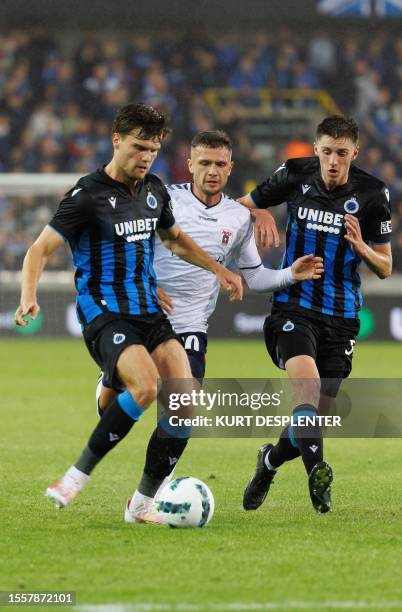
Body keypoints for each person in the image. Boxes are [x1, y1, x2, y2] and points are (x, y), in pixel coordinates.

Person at [15, 103, 244, 524]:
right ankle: (73, 478)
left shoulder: (153, 190)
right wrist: (28, 294)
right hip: (104, 310)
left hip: (149, 311)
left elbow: (175, 240)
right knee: (146, 387)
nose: (145, 157)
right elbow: (38, 250)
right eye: (138, 147)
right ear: (116, 140)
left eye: (153, 150)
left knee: (184, 401)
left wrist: (220, 269)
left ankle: (141, 504)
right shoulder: (86, 196)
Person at [95, 129, 324, 523]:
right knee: (111, 406)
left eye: (220, 164)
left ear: (230, 168)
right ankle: (107, 384)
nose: (212, 171)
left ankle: (141, 503)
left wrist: (290, 273)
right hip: (142, 316)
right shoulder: (162, 198)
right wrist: (147, 284)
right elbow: (127, 246)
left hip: (189, 328)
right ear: (190, 164)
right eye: (205, 163)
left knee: (183, 409)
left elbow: (254, 277)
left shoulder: (237, 218)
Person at [239, 115, 392, 514]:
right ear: (316, 149)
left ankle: (269, 462)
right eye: (326, 152)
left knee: (314, 420)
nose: (333, 161)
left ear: (354, 153)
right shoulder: (294, 174)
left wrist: (363, 250)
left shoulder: (374, 194)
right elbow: (239, 207)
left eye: (342, 153)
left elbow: (386, 266)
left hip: (341, 316)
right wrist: (258, 212)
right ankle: (317, 473)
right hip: (294, 307)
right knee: (305, 390)